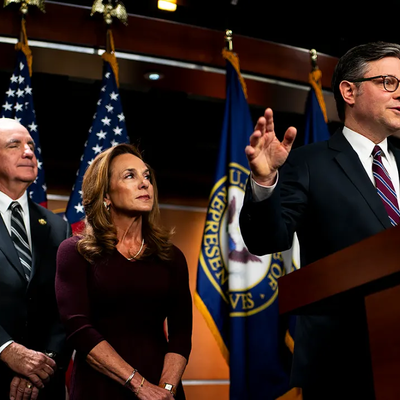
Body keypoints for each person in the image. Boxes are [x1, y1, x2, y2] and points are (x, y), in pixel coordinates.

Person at [239, 41, 400, 399]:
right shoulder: (308, 163)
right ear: (349, 91)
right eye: (389, 82)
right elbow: (267, 239)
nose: (399, 93)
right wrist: (265, 181)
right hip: (340, 364)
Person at [55, 143, 193, 400]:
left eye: (146, 176)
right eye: (130, 176)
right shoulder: (75, 252)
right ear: (105, 195)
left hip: (162, 388)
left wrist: (165, 390)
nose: (144, 184)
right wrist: (141, 386)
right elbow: (78, 330)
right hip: (99, 389)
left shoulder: (171, 257)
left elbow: (181, 335)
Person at [0, 118, 72, 400]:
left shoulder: (57, 227)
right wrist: (6, 349)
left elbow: (66, 306)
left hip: (43, 385)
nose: (29, 152)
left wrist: (43, 365)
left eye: (31, 145)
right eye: (14, 145)